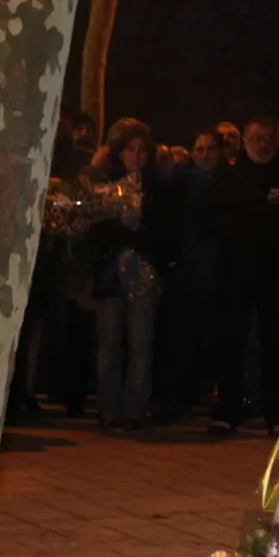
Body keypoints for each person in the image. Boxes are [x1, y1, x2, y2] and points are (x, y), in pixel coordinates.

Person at [209, 116, 279, 435]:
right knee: (230, 343)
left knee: (274, 345)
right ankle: (227, 410)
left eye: (267, 137)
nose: (262, 144)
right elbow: (211, 220)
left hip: (275, 275)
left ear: (275, 142)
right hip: (234, 273)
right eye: (255, 138)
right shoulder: (228, 178)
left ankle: (277, 414)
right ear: (245, 142)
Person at [90, 118, 179, 429]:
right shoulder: (104, 185)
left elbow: (169, 232)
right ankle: (108, 407)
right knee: (108, 342)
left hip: (145, 271)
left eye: (142, 150)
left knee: (141, 342)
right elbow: (94, 231)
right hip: (111, 272)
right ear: (120, 152)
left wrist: (145, 238)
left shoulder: (160, 188)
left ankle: (133, 408)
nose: (136, 156)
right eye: (130, 149)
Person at [170, 128, 225, 414]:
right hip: (188, 264)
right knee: (186, 334)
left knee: (216, 334)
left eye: (210, 148)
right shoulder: (181, 182)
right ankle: (185, 392)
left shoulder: (228, 181)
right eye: (200, 149)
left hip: (219, 266)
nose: (205, 155)